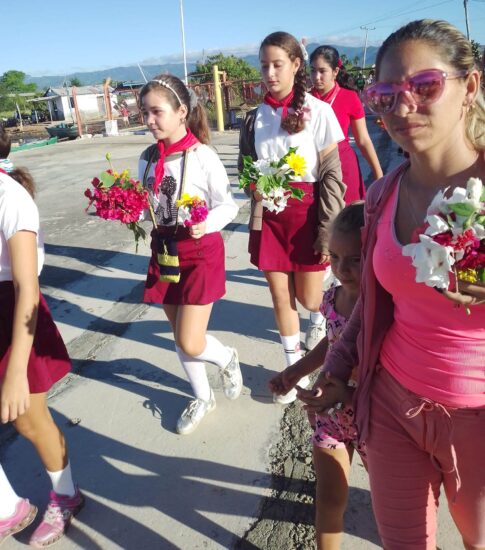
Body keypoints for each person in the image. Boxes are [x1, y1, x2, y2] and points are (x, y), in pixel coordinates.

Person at [299, 19, 485, 549]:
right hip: (392, 406)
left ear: (469, 88)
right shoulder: (382, 195)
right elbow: (375, 303)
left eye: (424, 87)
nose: (402, 107)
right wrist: (337, 368)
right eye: (384, 95)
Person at [238, 31, 346, 403]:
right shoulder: (254, 119)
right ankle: (292, 372)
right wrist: (255, 187)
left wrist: (328, 229)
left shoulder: (319, 110)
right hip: (271, 216)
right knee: (279, 296)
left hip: (308, 216)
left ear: (296, 65)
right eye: (264, 65)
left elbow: (332, 173)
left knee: (310, 300)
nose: (269, 72)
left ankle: (331, 320)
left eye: (277, 64)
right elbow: (246, 169)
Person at [138, 75, 242, 435]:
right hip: (164, 249)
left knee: (190, 340)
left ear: (182, 112)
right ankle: (203, 396)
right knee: (178, 332)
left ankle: (227, 357)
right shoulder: (147, 158)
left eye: (157, 112)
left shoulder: (203, 155)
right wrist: (124, 209)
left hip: (199, 250)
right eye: (144, 113)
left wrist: (207, 224)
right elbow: (149, 206)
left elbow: (228, 206)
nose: (149, 120)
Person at [0, 126, 84, 547]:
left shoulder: (10, 198)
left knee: (30, 421)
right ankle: (7, 507)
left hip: (14, 316)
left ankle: (67, 496)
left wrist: (17, 370)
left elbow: (26, 288)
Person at [269, 202, 367, 550]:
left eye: (355, 259)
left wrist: (350, 394)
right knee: (327, 501)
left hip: (379, 418)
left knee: (395, 506)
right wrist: (295, 370)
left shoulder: (388, 305)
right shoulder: (332, 296)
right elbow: (332, 340)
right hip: (331, 415)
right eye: (335, 257)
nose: (342, 268)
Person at [310, 45, 383, 203]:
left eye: (322, 71)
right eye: (313, 70)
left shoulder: (349, 98)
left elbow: (363, 140)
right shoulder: (304, 100)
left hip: (343, 165)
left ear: (335, 72)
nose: (316, 76)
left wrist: (379, 176)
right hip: (311, 167)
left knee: (346, 220)